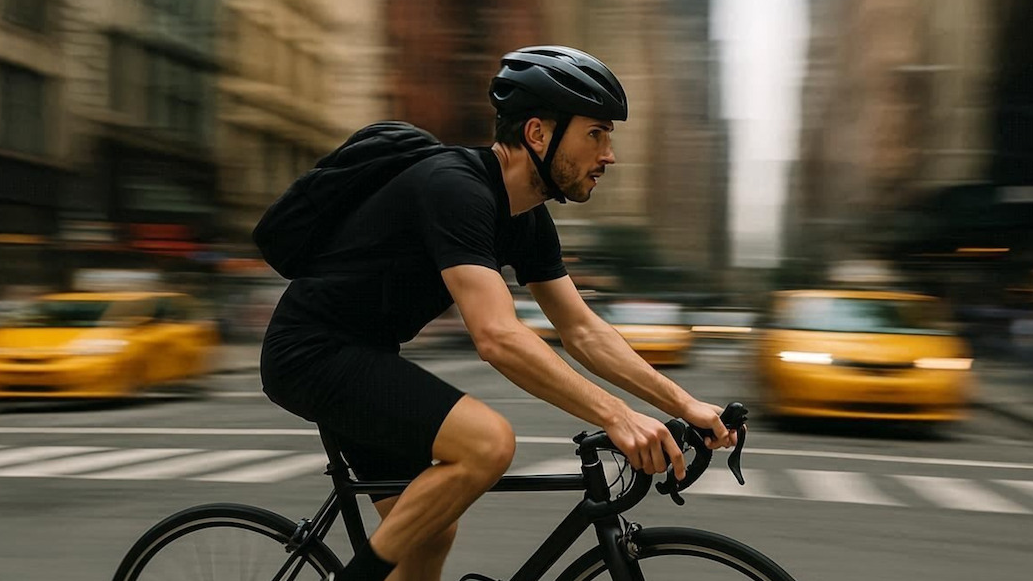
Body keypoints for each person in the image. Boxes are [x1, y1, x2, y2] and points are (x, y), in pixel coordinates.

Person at [260, 46, 738, 581]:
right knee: (488, 443)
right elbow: (496, 335)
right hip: (311, 353)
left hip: (366, 356)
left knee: (430, 531)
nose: (609, 155)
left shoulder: (527, 219)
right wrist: (617, 416)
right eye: (596, 135)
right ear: (538, 134)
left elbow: (583, 330)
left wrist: (686, 403)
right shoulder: (455, 187)